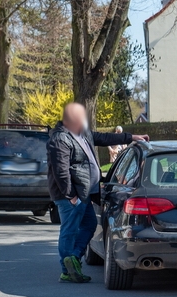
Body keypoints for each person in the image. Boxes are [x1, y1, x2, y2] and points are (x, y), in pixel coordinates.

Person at [47, 103, 149, 283]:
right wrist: (71, 196)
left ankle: (74, 259)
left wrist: (132, 137)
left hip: (84, 193)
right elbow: (60, 171)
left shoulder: (82, 133)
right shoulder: (60, 139)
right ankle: (66, 270)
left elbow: (104, 137)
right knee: (69, 230)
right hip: (70, 196)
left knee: (89, 225)